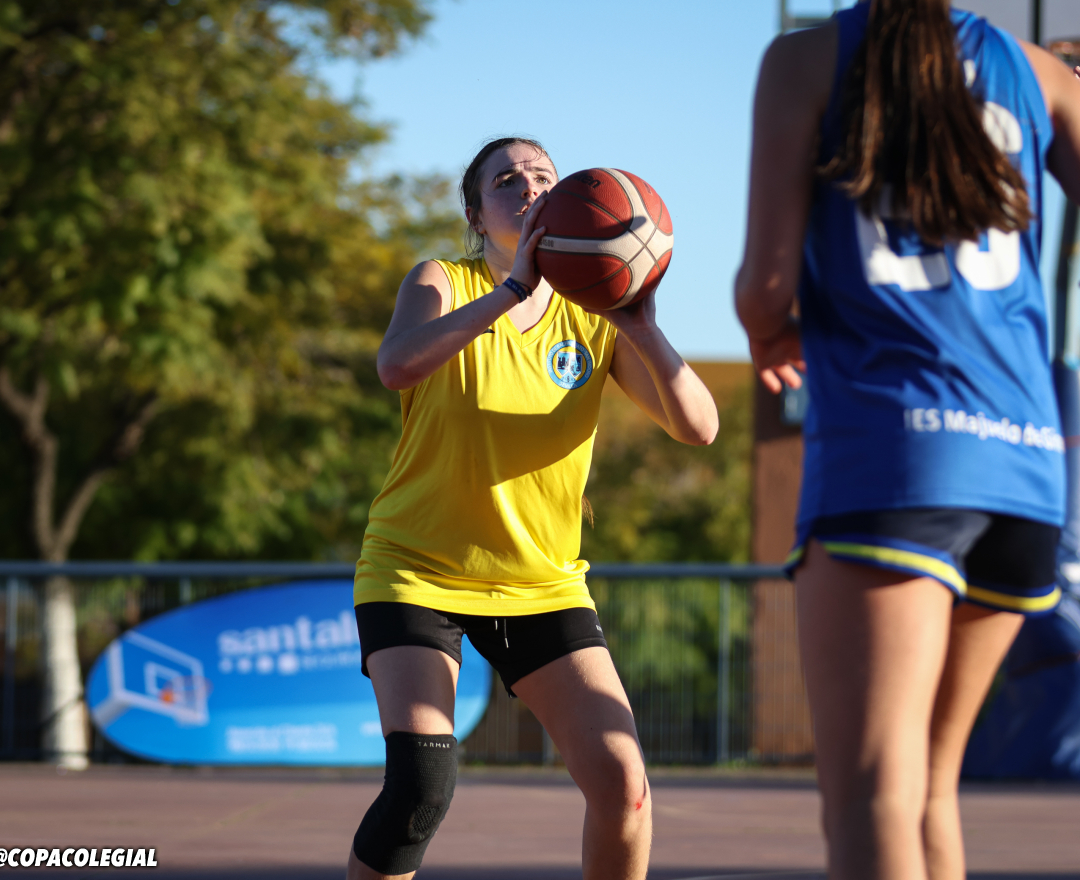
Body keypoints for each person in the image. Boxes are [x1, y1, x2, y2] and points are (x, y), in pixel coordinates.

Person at [735, 2, 1080, 879]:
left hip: (895, 454)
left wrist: (770, 333)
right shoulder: (1038, 73)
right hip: (1024, 458)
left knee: (872, 797)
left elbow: (764, 288)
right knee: (927, 787)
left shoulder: (806, 61)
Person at [346, 136, 718, 880]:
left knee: (624, 786)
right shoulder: (443, 280)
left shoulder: (593, 317)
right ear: (476, 215)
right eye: (506, 180)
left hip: (541, 584)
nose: (528, 187)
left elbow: (700, 426)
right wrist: (512, 291)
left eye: (543, 176)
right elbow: (396, 365)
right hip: (416, 571)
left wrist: (640, 323)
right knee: (421, 789)